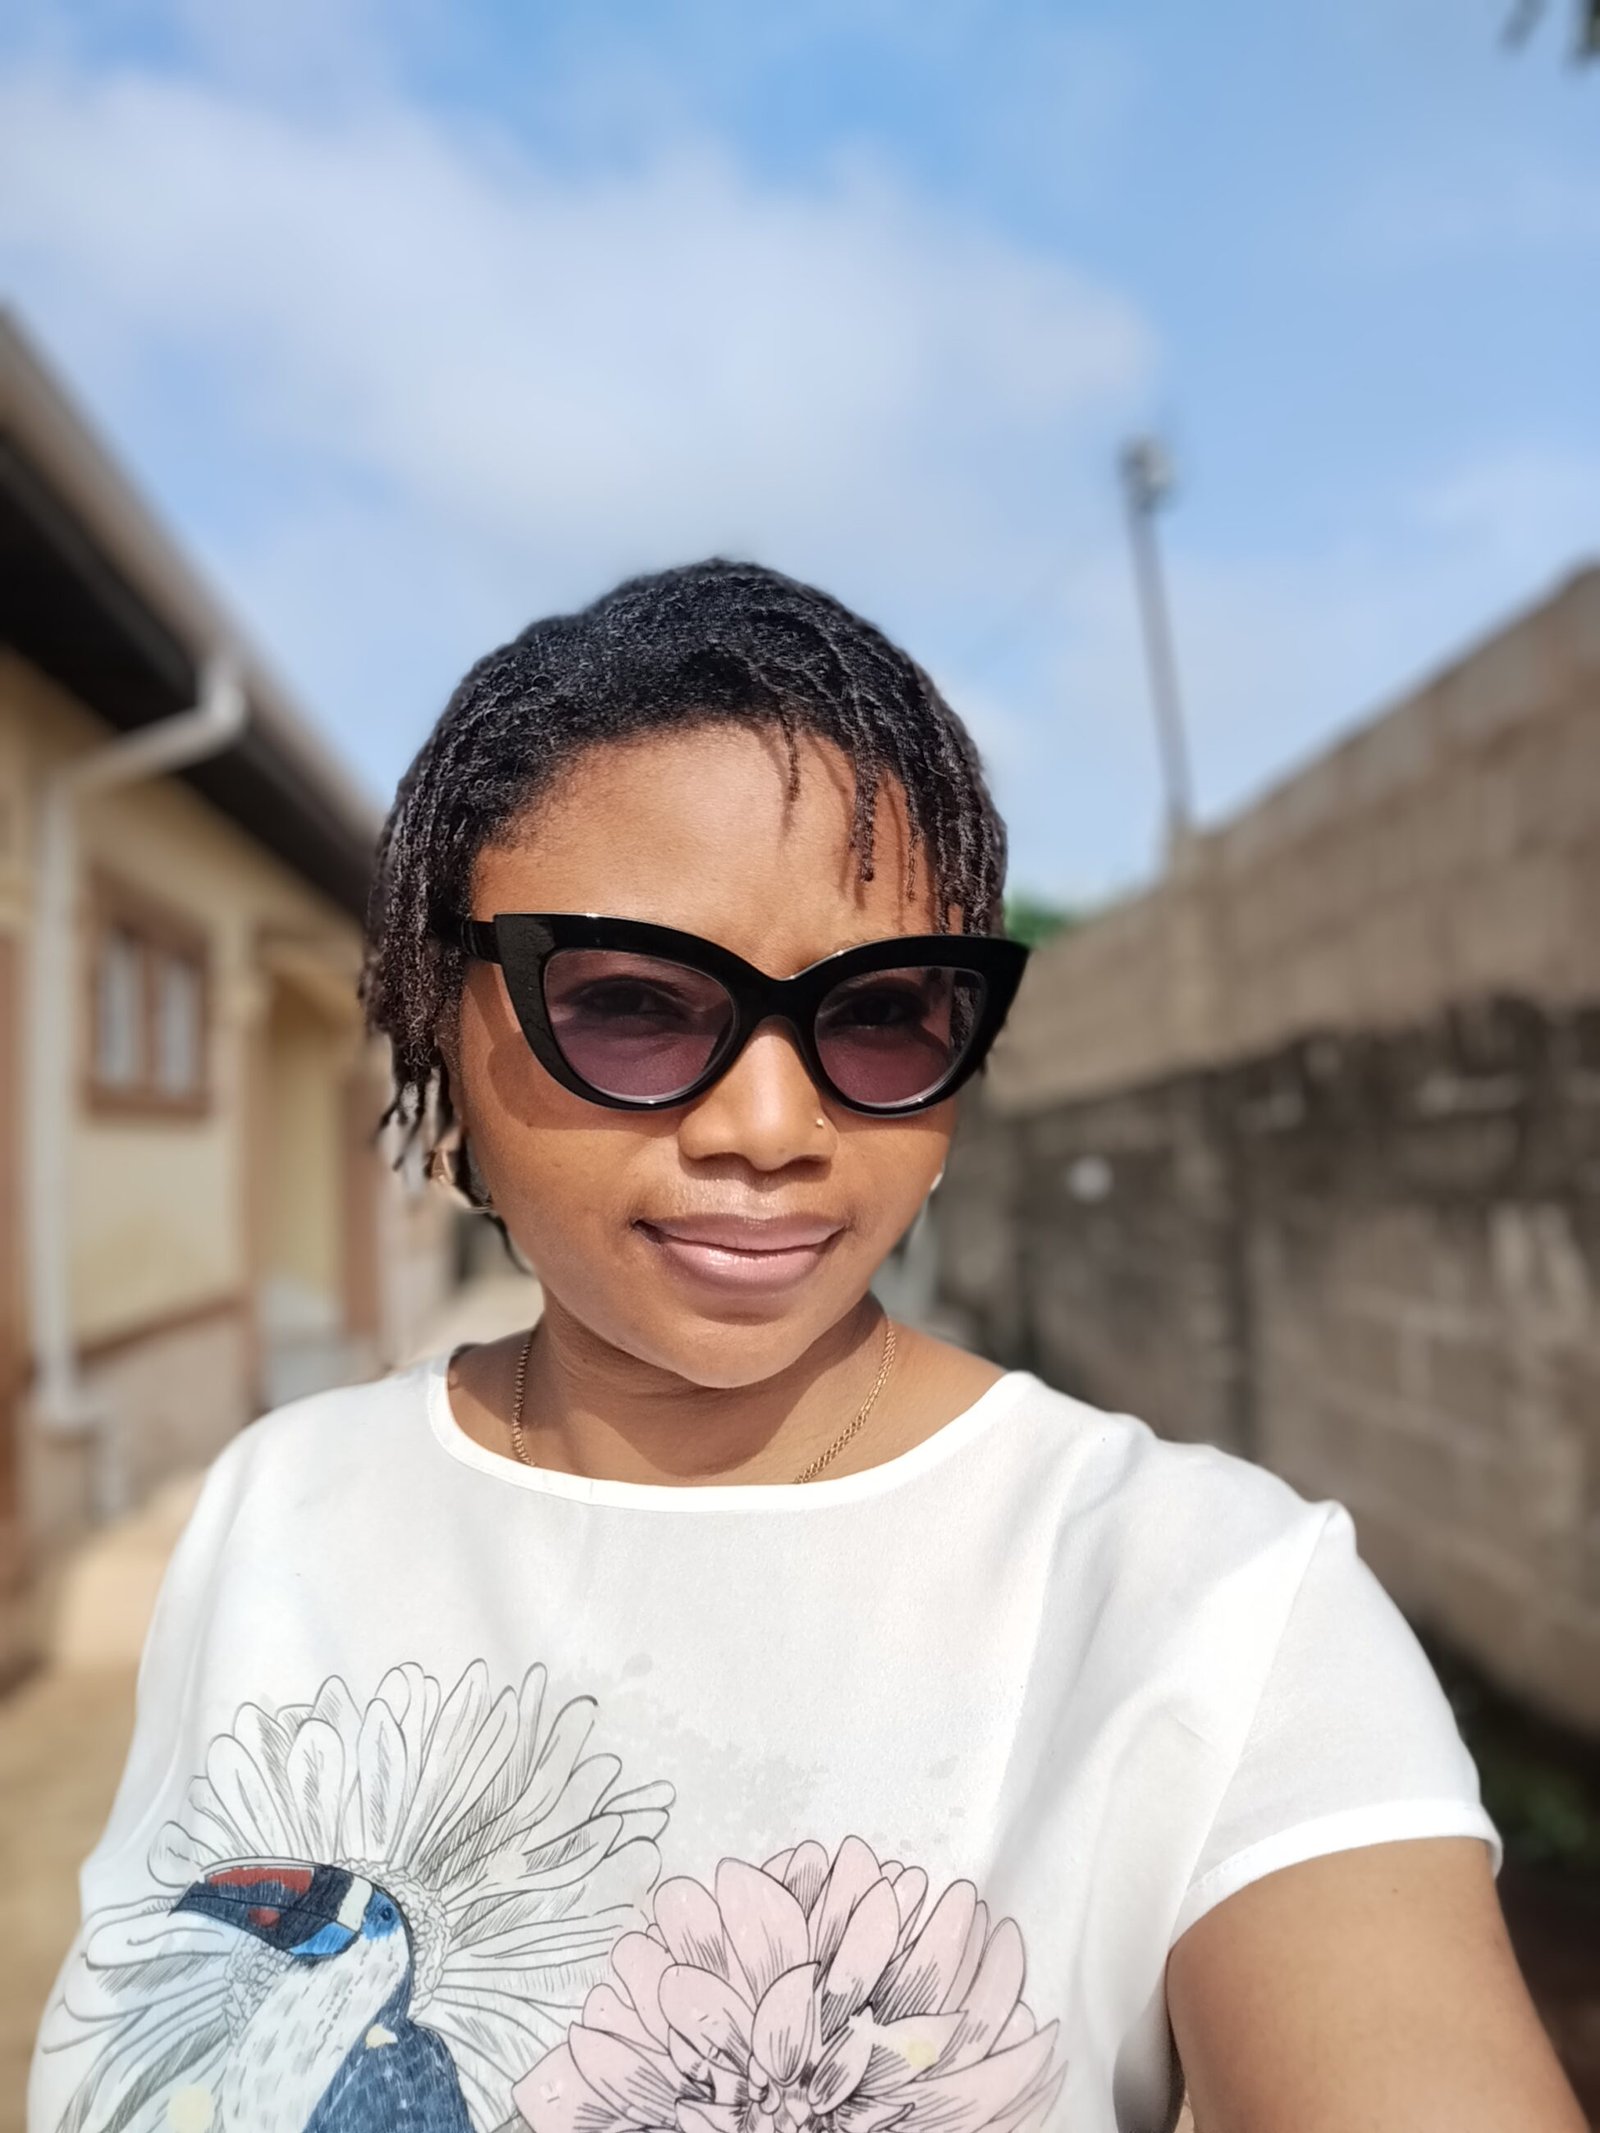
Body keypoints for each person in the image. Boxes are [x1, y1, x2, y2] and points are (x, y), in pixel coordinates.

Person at [30, 561, 1583, 2133]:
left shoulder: (1213, 1608)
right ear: (440, 1010)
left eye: (883, 1012)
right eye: (633, 1002)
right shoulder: (279, 1510)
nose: (773, 1125)